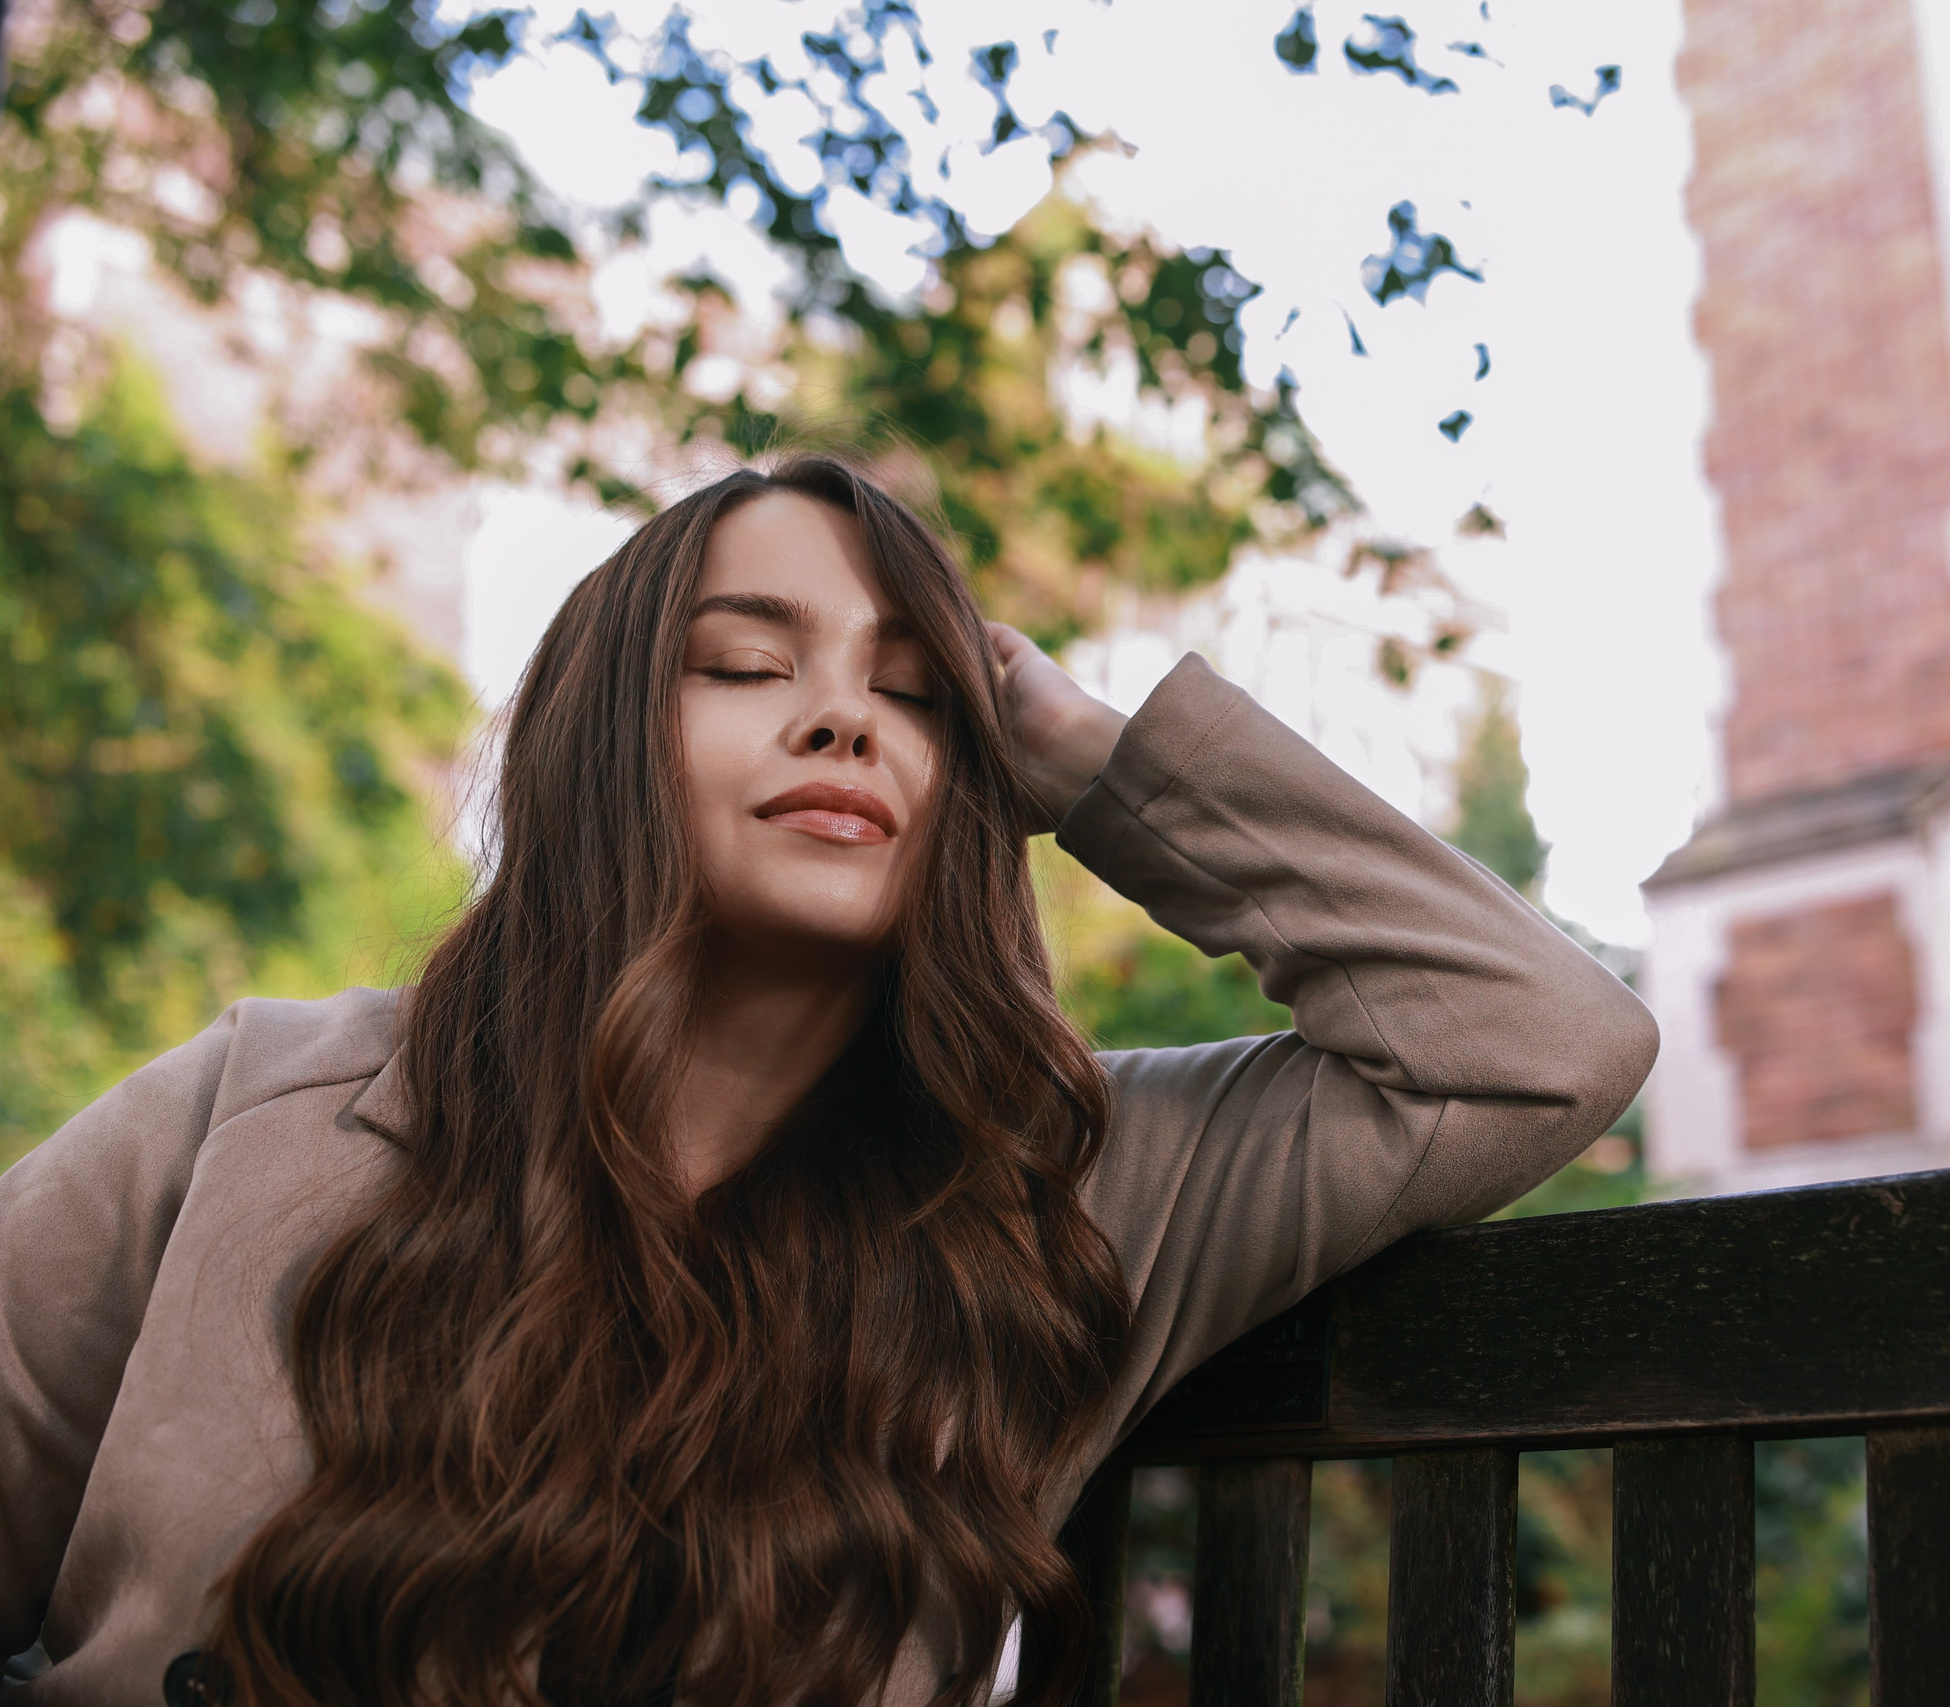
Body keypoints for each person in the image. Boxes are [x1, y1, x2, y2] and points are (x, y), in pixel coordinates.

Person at [0, 456, 1657, 1707]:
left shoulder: (1066, 1198)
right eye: (746, 664)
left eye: (919, 694)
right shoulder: (261, 1103)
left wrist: (1090, 761)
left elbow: (1532, 1043)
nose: (843, 720)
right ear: (603, 741)